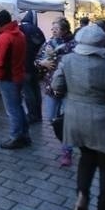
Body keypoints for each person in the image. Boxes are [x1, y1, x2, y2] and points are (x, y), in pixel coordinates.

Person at [51, 24, 105, 210]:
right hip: (103, 121)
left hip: (76, 119)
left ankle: (82, 198)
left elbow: (57, 86)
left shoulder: (67, 60)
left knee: (86, 159)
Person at [36, 18, 77, 166]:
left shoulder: (73, 45)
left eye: (56, 28)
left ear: (65, 30)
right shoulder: (48, 43)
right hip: (51, 87)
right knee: (52, 118)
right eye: (52, 28)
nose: (52, 31)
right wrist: (43, 63)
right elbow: (37, 60)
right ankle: (67, 140)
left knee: (67, 121)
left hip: (69, 89)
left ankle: (67, 150)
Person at [0, 9, 30, 149]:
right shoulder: (19, 34)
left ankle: (16, 137)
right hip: (18, 74)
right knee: (18, 107)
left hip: (8, 78)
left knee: (12, 109)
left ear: (1, 22)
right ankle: (24, 134)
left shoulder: (3, 38)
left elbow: (0, 61)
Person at [19, 11, 46, 123]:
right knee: (36, 90)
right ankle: (38, 114)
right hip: (36, 65)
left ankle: (32, 114)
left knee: (28, 91)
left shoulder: (21, 29)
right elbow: (43, 44)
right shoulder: (37, 30)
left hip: (25, 64)